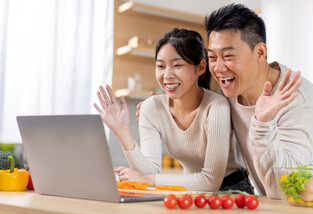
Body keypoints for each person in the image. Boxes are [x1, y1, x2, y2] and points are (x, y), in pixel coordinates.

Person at [204, 3, 313, 201]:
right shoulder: (232, 91)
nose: (218, 67)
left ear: (260, 53)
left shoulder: (297, 98)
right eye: (212, 57)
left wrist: (262, 123)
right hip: (287, 207)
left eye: (228, 56)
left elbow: (284, 189)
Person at [94, 28, 252, 192]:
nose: (167, 75)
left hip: (234, 190)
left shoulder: (216, 106)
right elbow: (149, 173)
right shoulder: (152, 108)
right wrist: (122, 131)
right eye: (161, 66)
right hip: (189, 191)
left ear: (200, 68)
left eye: (177, 65)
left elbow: (210, 181)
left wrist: (148, 180)